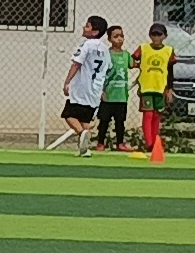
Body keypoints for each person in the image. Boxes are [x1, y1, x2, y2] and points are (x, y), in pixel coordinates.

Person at [56, 15, 109, 155]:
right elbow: (107, 68)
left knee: (69, 115)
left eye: (87, 26)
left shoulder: (86, 45)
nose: (84, 27)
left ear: (95, 32)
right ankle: (85, 149)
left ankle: (81, 133)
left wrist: (67, 81)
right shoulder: (104, 49)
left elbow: (76, 63)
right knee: (85, 119)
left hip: (82, 88)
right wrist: (102, 88)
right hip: (95, 90)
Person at [137, 22, 179, 158]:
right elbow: (132, 60)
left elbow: (170, 71)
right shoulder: (143, 48)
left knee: (157, 116)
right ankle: (149, 143)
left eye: (159, 35)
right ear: (150, 35)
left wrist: (170, 89)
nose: (156, 38)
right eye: (153, 35)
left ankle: (155, 142)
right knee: (148, 114)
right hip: (146, 87)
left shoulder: (168, 51)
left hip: (160, 88)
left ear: (164, 36)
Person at [96, 24, 137, 151]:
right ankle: (100, 143)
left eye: (121, 36)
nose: (119, 39)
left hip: (122, 95)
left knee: (120, 121)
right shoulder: (106, 55)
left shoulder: (126, 55)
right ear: (109, 39)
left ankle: (120, 143)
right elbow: (100, 73)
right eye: (116, 36)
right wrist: (101, 90)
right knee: (104, 121)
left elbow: (134, 64)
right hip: (108, 95)